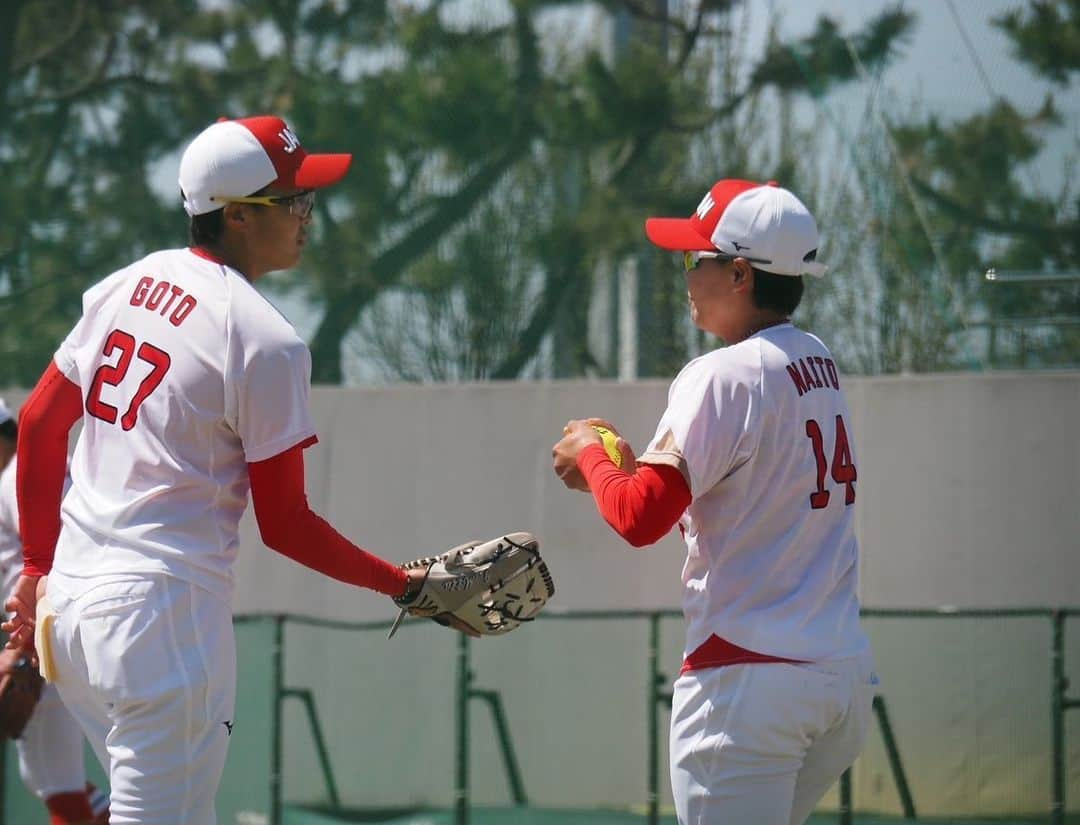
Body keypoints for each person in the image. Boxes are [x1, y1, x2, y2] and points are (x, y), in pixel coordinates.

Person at [3, 115, 448, 824]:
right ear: (237, 216)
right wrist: (401, 584)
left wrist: (34, 567)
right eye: (293, 200)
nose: (308, 215)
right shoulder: (265, 340)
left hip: (74, 613)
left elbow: (37, 424)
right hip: (162, 623)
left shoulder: (130, 281)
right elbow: (287, 524)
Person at [552, 179, 877, 825]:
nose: (686, 275)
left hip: (748, 682)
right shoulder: (817, 359)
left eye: (694, 260)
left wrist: (591, 454)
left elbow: (640, 515)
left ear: (738, 271)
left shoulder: (722, 372)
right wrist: (627, 463)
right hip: (840, 676)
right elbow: (725, 496)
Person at [0, 400, 109, 825]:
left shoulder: (14, 480)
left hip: (46, 642)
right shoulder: (37, 469)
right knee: (54, 778)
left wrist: (24, 652)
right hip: (77, 636)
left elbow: (58, 560)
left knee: (56, 784)